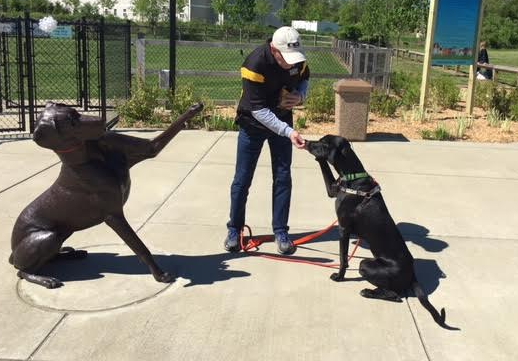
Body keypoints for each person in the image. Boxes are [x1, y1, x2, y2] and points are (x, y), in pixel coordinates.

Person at [224, 26, 309, 255]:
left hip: (282, 121)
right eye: (286, 58)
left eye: (295, 59)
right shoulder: (255, 64)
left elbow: (305, 80)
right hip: (252, 125)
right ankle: (235, 229)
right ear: (274, 49)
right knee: (242, 180)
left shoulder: (298, 62)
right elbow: (259, 111)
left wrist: (301, 95)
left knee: (283, 177)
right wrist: (289, 132)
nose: (291, 64)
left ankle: (281, 231)